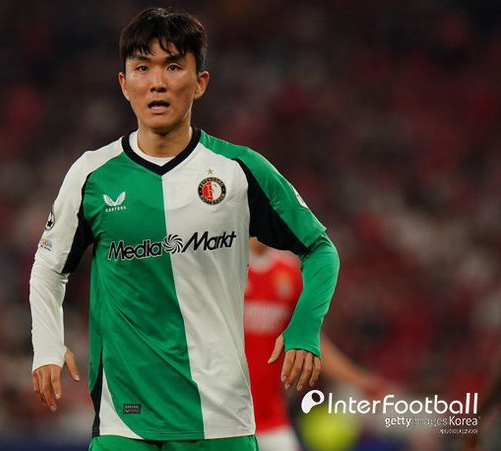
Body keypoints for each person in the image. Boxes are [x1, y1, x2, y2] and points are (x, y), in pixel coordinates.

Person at [29, 7, 340, 451]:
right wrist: (46, 345)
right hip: (125, 425)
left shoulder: (239, 171)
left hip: (221, 421)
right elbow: (48, 267)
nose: (157, 82)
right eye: (142, 68)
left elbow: (320, 248)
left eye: (173, 66)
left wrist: (305, 328)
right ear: (124, 84)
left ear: (200, 82)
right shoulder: (92, 174)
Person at [245, 238, 389, 451]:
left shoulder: (289, 272)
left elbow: (309, 338)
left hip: (271, 417)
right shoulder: (226, 266)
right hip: (226, 417)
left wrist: (357, 379)